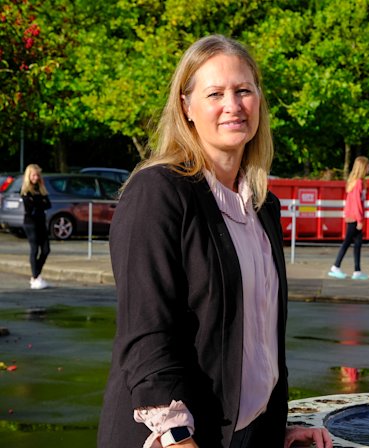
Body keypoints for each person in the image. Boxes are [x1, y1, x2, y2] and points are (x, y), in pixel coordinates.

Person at [97, 35, 332, 448]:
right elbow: (147, 333)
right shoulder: (158, 193)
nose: (233, 105)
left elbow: (258, 340)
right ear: (186, 106)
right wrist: (177, 436)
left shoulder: (262, 206)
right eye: (215, 93)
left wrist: (276, 429)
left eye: (244, 90)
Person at [328, 156, 369, 280]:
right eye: (368, 166)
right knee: (347, 242)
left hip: (352, 217)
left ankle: (357, 270)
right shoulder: (358, 183)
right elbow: (357, 203)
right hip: (354, 218)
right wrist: (360, 220)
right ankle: (335, 266)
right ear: (363, 168)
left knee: (357, 244)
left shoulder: (355, 182)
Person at [21, 164, 51, 290]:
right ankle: (35, 277)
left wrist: (38, 203)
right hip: (30, 223)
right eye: (34, 175)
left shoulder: (41, 189)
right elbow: (31, 208)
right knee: (34, 249)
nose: (36, 177)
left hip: (41, 222)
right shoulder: (26, 191)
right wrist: (40, 203)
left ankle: (36, 274)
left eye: (38, 175)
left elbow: (47, 204)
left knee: (46, 249)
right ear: (29, 176)